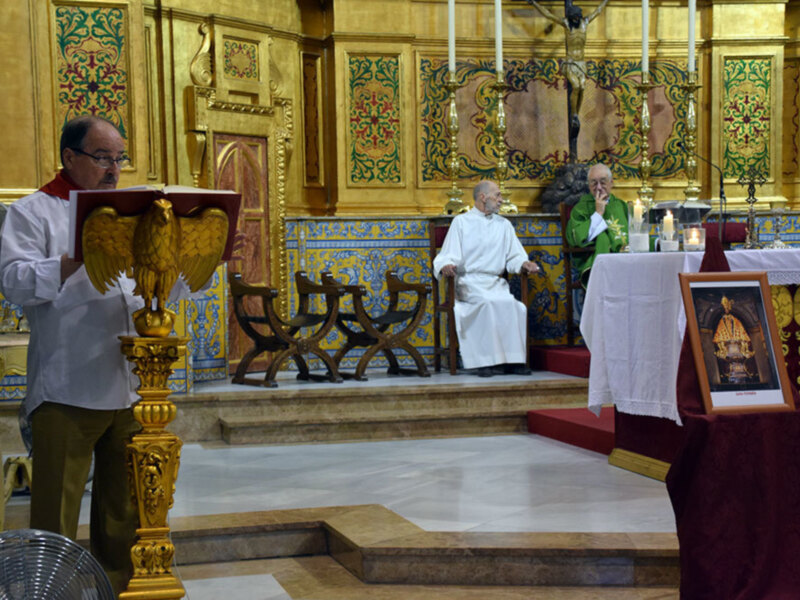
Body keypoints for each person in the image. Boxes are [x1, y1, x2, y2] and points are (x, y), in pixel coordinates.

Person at [0, 115, 210, 594]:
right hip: (67, 387)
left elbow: (151, 292)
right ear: (69, 157)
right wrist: (70, 262)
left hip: (133, 388)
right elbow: (12, 282)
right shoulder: (33, 212)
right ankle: (50, 593)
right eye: (102, 158)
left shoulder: (131, 215)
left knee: (124, 513)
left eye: (119, 158)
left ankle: (117, 589)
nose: (114, 169)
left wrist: (201, 262)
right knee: (56, 512)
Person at [433, 180, 539, 377]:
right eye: (497, 195)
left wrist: (524, 264)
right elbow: (448, 255)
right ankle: (483, 362)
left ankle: (513, 361)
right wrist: (446, 265)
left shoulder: (504, 225)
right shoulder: (461, 222)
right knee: (487, 303)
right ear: (483, 197)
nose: (501, 200)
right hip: (468, 283)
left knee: (513, 305)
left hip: (495, 283)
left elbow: (515, 256)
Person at [527, 0, 610, 160]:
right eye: (575, 17)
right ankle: (574, 114)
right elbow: (548, 14)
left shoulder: (585, 23)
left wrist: (605, 1)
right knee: (576, 86)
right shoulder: (566, 24)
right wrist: (535, 4)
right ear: (571, 17)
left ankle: (576, 115)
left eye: (578, 16)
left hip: (581, 63)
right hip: (570, 63)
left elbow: (598, 11)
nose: (577, 18)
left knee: (583, 86)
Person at [565, 163, 628, 287]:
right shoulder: (581, 208)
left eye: (603, 182)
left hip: (627, 261)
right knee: (602, 237)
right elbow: (578, 238)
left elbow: (635, 232)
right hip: (596, 262)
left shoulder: (621, 205)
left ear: (611, 183)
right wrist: (598, 213)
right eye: (594, 183)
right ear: (589, 185)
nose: (598, 187)